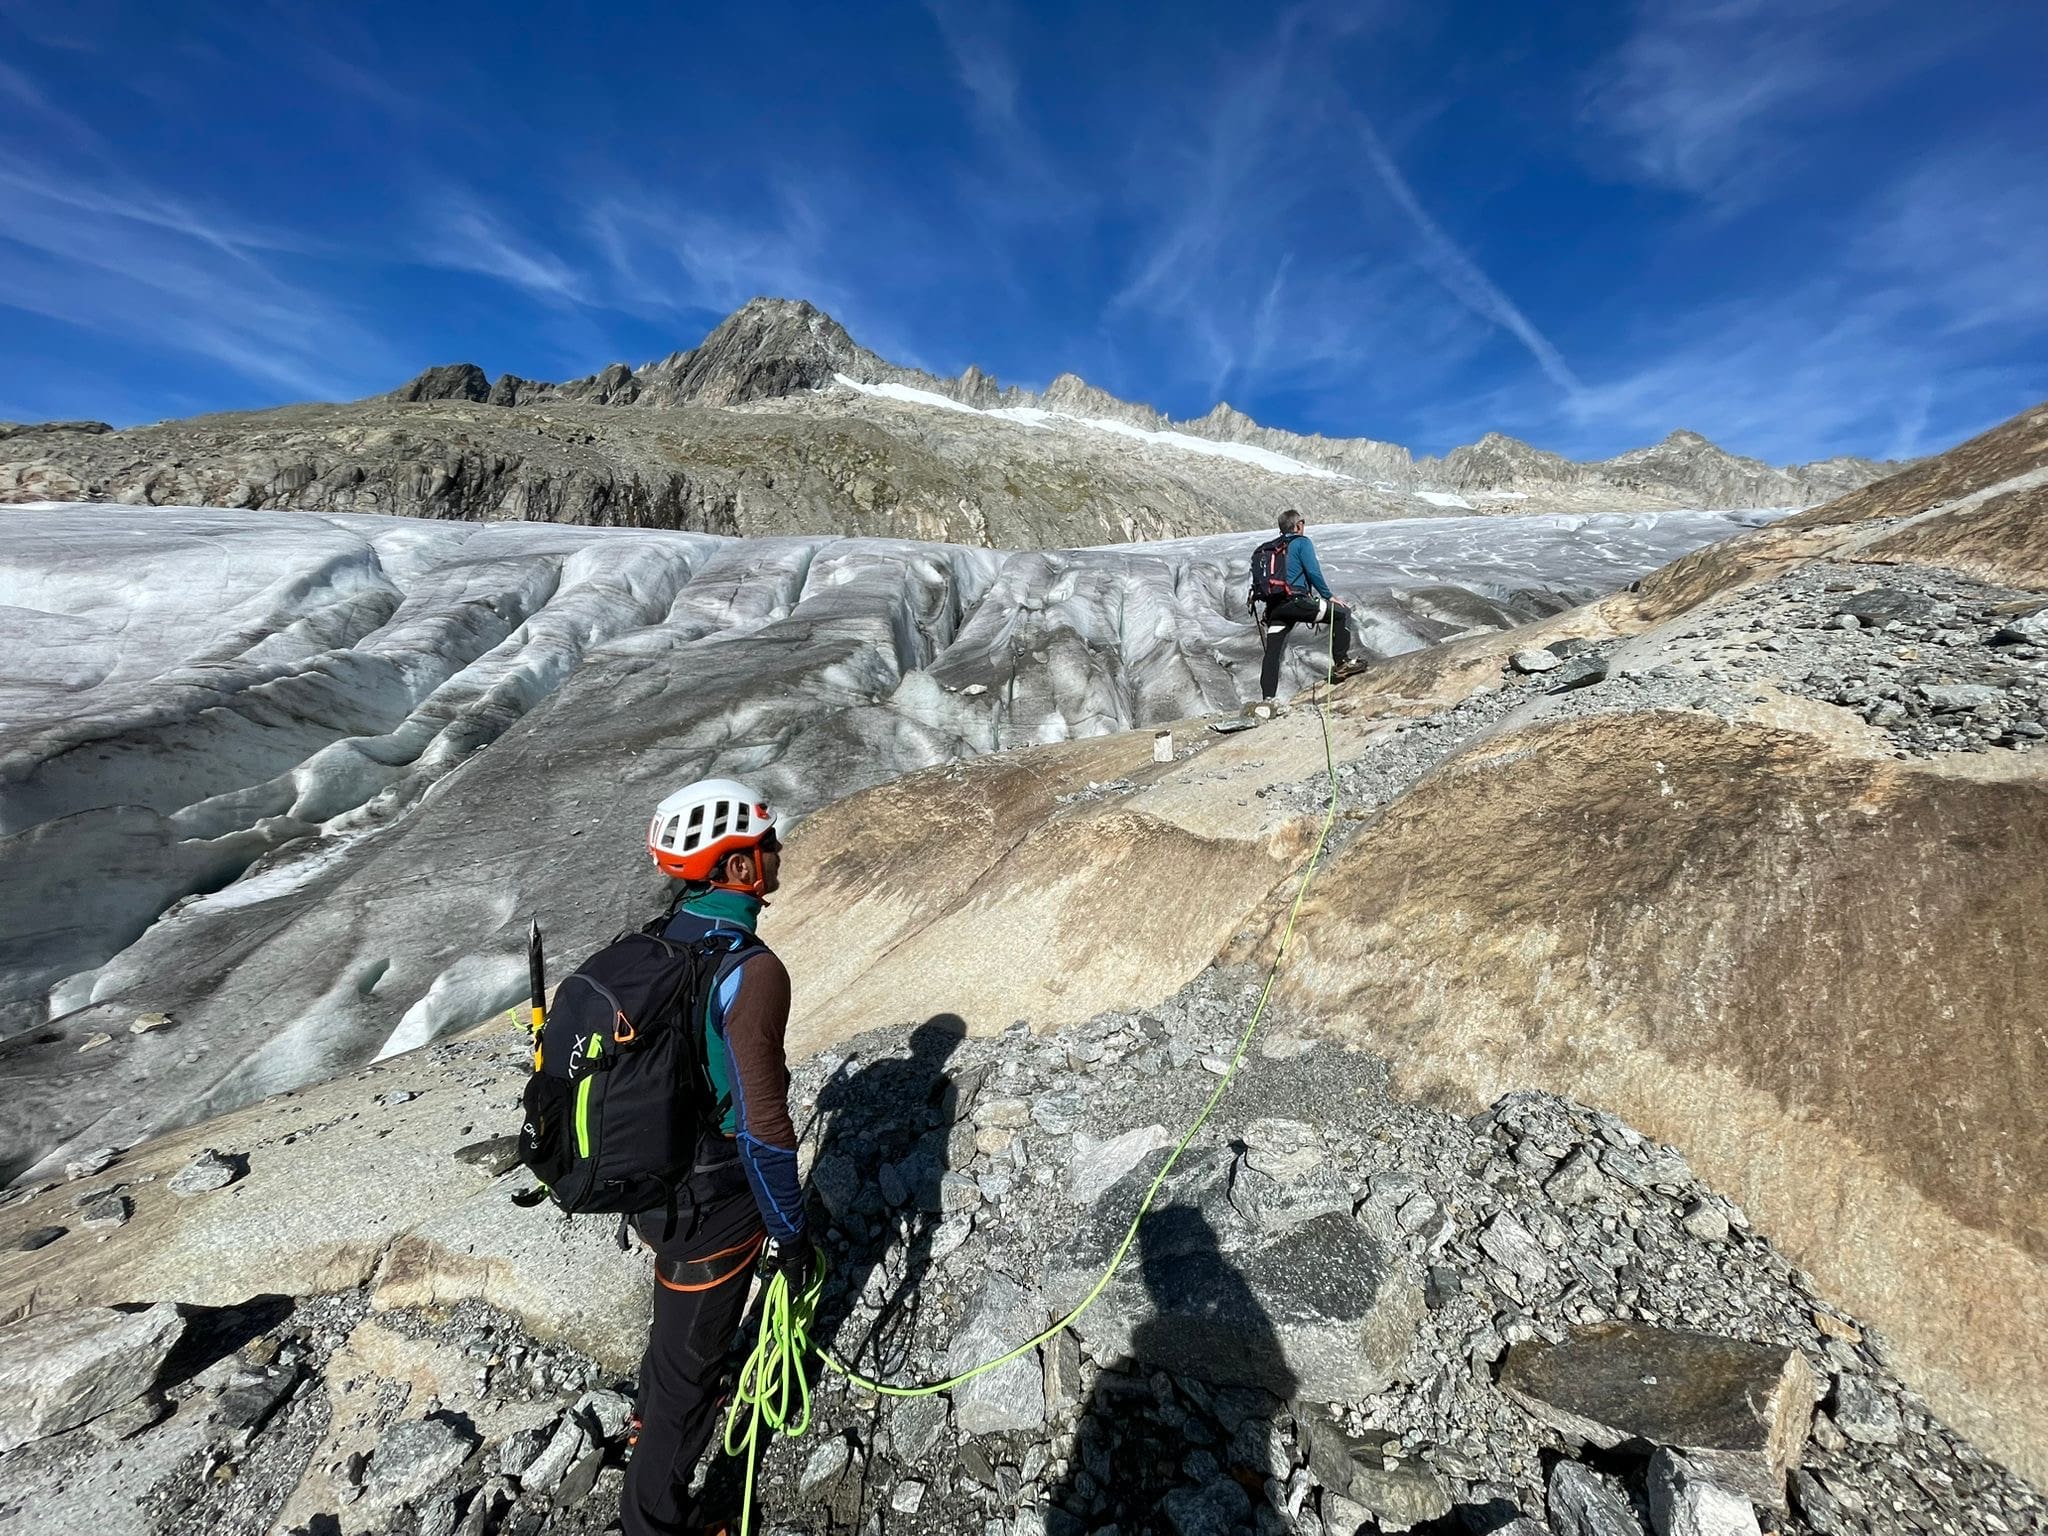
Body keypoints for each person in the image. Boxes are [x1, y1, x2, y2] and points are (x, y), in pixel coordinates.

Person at [623, 777, 813, 1536]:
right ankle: (653, 1520)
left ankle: (646, 1419)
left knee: (673, 1343)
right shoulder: (751, 970)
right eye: (764, 844)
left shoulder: (658, 942)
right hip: (713, 1209)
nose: (776, 851)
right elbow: (763, 1127)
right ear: (737, 868)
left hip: (654, 1185)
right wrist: (791, 1235)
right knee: (690, 1380)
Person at [1254, 509, 1363, 702]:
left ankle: (1267, 700)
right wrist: (1329, 596)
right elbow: (1313, 572)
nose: (1304, 525)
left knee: (1272, 653)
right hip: (1297, 602)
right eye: (1302, 522)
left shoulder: (1271, 548)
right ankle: (1341, 663)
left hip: (1275, 609)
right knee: (1341, 613)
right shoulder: (1302, 543)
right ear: (1297, 526)